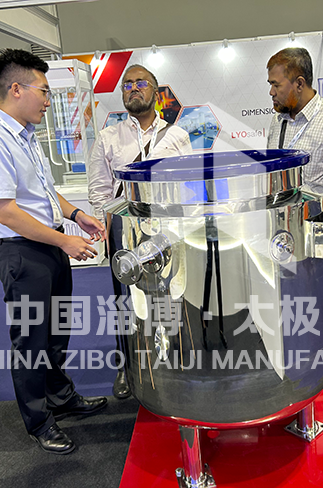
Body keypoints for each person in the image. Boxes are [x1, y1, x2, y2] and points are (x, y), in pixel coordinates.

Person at [0, 49, 108, 455]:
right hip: (23, 254)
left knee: (57, 332)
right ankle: (39, 421)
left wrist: (76, 215)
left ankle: (61, 398)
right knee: (31, 340)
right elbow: (7, 212)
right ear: (16, 89)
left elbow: (43, 192)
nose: (48, 100)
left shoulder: (26, 137)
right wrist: (64, 241)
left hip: (48, 246)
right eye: (44, 91)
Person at [87, 64, 192, 399]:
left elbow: (188, 186)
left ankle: (173, 357)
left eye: (140, 83)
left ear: (155, 92)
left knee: (171, 292)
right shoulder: (108, 137)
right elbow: (100, 190)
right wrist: (105, 227)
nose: (133, 88)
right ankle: (127, 366)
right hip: (125, 229)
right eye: (127, 84)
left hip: (167, 228)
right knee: (125, 300)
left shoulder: (177, 136)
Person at [266, 48, 323, 260]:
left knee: (310, 281)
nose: (271, 92)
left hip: (313, 230)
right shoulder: (278, 120)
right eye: (270, 84)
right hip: (277, 231)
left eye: (276, 85)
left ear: (299, 84)